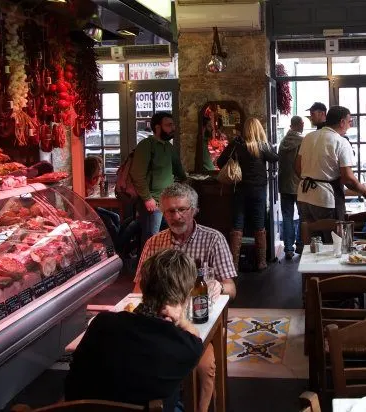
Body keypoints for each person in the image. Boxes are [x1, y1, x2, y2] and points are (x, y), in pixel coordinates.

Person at [133, 183, 237, 412]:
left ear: (195, 209)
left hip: (199, 323)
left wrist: (218, 285)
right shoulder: (154, 242)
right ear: (162, 211)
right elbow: (139, 289)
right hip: (161, 323)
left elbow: (232, 288)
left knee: (205, 366)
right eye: (170, 211)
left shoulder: (213, 239)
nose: (176, 216)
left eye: (182, 210)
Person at [65, 249, 204, 412]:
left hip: (79, 408)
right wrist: (181, 320)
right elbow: (195, 337)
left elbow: (72, 381)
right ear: (186, 295)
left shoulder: (102, 322)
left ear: (143, 287)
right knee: (177, 397)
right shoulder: (187, 346)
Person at [295, 105, 366, 226]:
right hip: (325, 199)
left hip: (304, 196)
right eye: (349, 122)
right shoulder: (341, 142)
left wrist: (313, 176)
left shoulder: (308, 137)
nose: (350, 126)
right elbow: (348, 179)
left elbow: (297, 167)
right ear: (342, 122)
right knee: (332, 241)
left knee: (311, 240)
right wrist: (364, 190)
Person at [217, 118, 279, 270]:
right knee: (259, 225)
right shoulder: (262, 147)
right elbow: (275, 158)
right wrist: (269, 145)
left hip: (240, 189)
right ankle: (261, 262)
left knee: (237, 225)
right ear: (259, 130)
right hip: (258, 189)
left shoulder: (237, 145)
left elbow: (220, 162)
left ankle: (234, 264)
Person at [130, 112, 187, 247]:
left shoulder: (169, 147)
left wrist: (184, 182)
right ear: (157, 127)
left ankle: (161, 267)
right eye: (168, 125)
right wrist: (147, 198)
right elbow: (137, 174)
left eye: (173, 125)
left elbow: (178, 169)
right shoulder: (146, 145)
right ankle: (146, 268)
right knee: (151, 241)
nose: (172, 128)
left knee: (165, 240)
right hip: (153, 203)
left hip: (168, 202)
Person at [278, 115, 304, 259]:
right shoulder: (302, 141)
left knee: (287, 216)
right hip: (299, 183)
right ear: (299, 124)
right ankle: (300, 245)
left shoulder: (283, 142)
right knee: (302, 215)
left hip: (284, 183)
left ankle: (288, 249)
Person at [84, 156, 120, 243]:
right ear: (92, 168)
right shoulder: (83, 180)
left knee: (116, 216)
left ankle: (118, 242)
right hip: (86, 210)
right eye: (99, 167)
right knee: (109, 222)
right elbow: (89, 194)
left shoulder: (95, 178)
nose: (100, 169)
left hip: (93, 206)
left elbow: (94, 190)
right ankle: (117, 244)